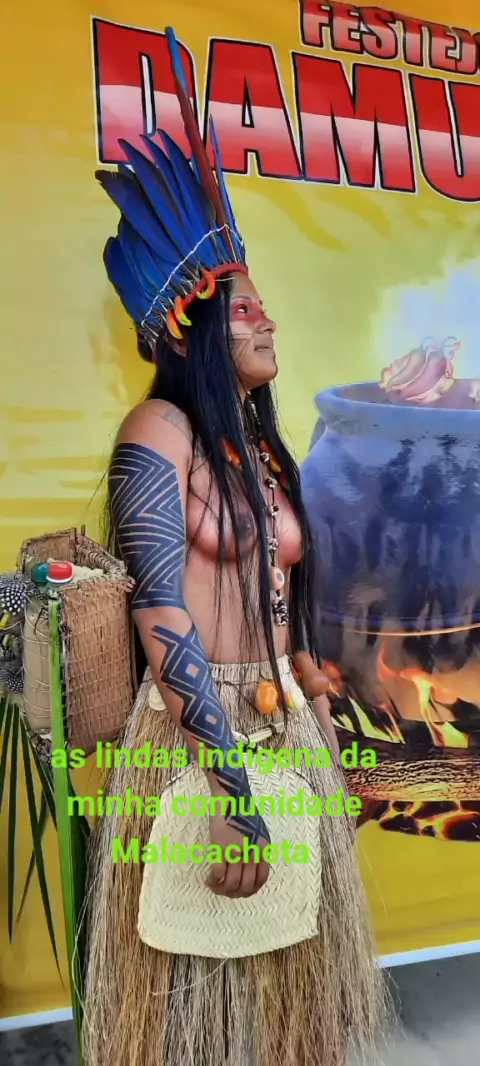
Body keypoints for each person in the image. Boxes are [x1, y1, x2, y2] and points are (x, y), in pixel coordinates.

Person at [81, 26, 385, 1066]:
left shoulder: (262, 449)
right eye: (243, 304)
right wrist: (229, 785)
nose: (266, 318)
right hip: (196, 739)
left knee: (297, 987)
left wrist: (322, 734)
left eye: (263, 301)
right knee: (187, 997)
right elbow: (160, 608)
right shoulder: (157, 432)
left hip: (282, 721)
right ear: (190, 325)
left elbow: (286, 616)